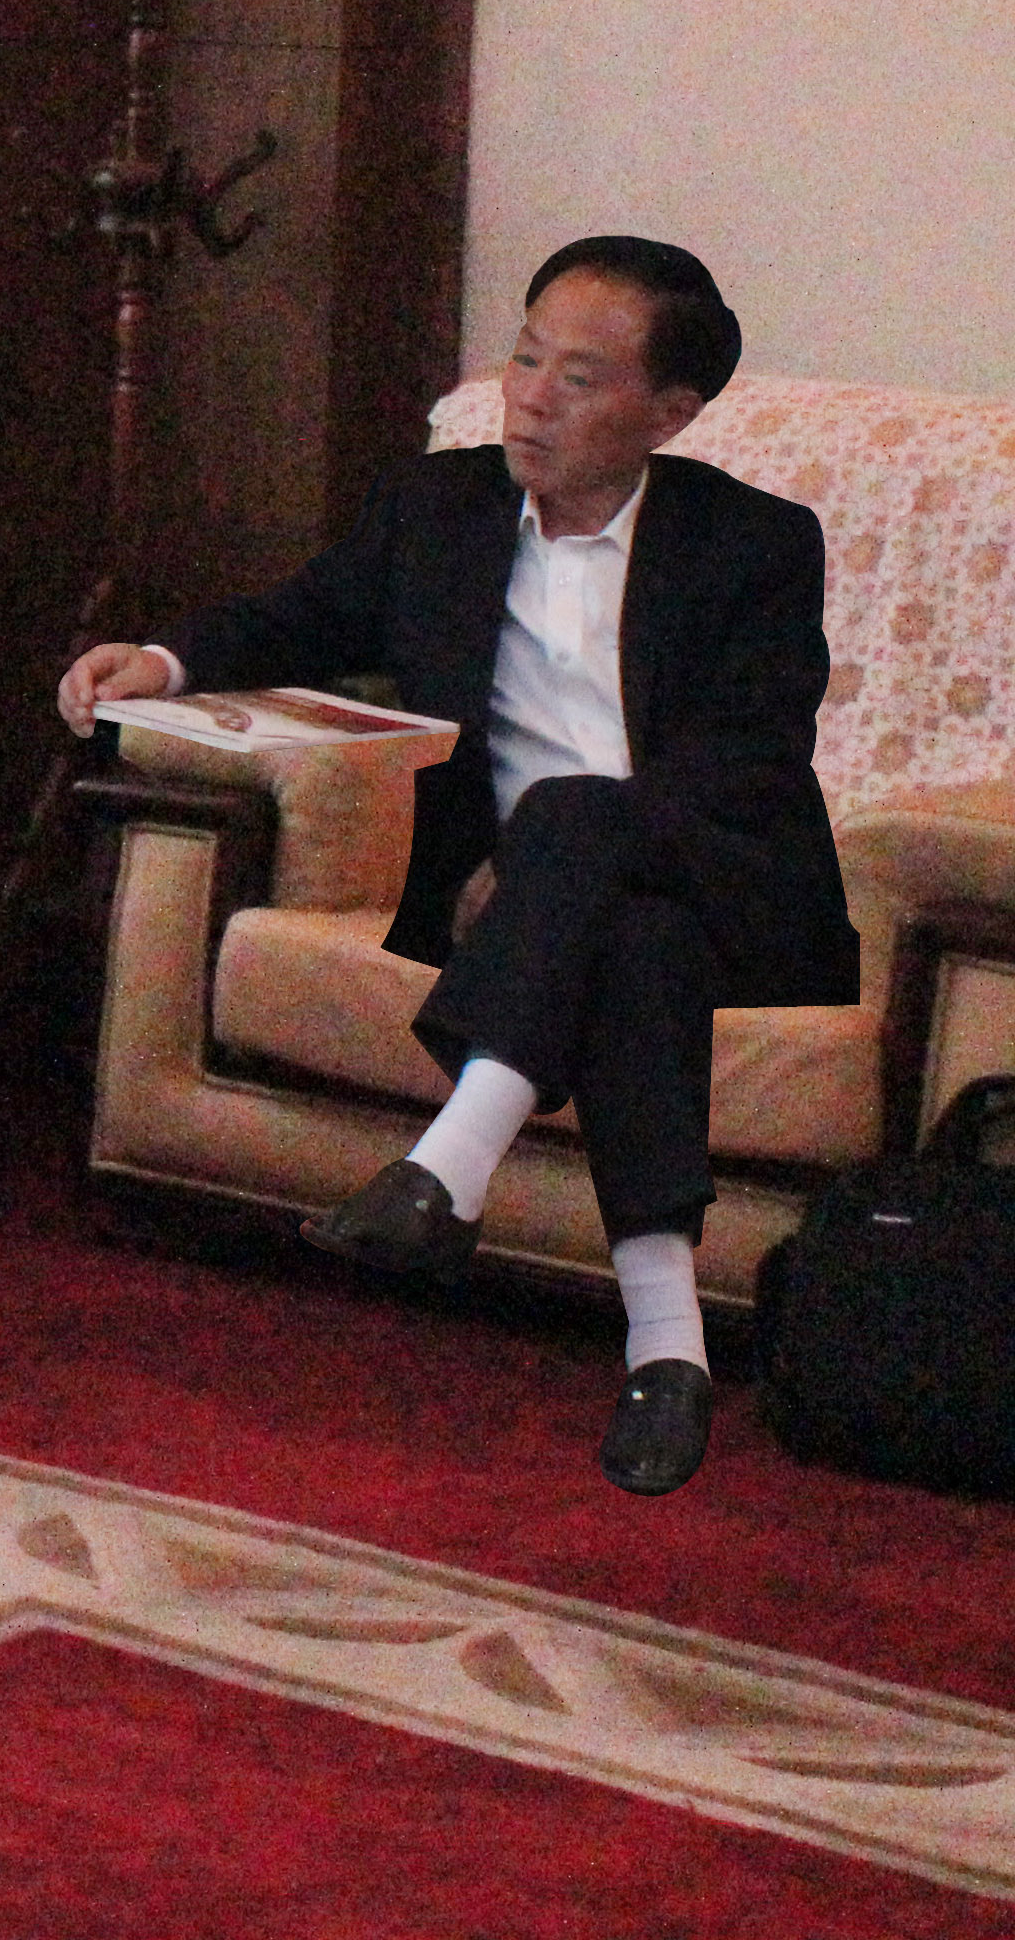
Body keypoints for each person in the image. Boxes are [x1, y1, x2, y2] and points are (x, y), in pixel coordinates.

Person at [60, 235, 835, 1499]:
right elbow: (303, 616)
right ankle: (668, 1352)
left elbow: (744, 768)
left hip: (723, 880)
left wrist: (542, 850)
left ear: (671, 414)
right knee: (635, 949)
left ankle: (447, 1170)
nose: (530, 399)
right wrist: (163, 661)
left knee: (588, 830)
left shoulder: (754, 545)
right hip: (554, 914)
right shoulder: (440, 508)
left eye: (579, 379)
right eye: (525, 359)